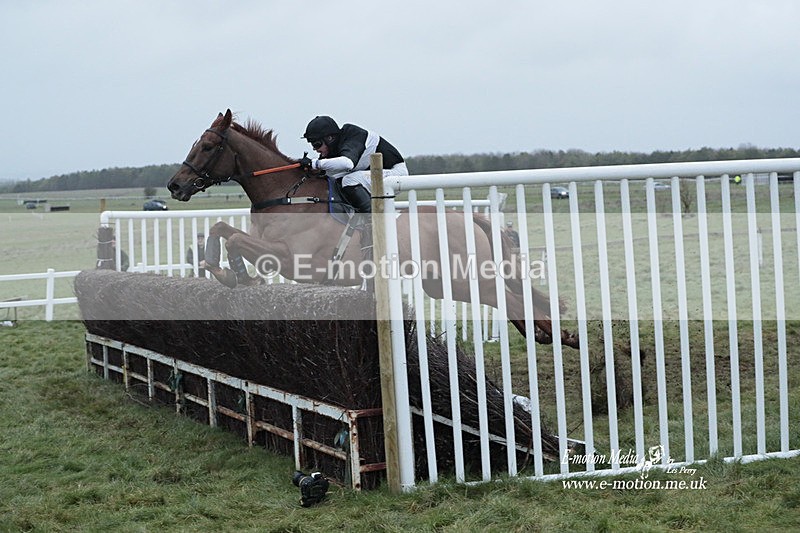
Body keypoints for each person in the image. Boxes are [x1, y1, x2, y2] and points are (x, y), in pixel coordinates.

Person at [299, 116, 408, 214]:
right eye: (312, 145)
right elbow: (325, 172)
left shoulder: (352, 134)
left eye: (317, 144)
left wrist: (315, 163)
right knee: (335, 180)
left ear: (330, 138)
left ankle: (371, 220)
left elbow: (348, 163)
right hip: (376, 174)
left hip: (396, 175)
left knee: (349, 180)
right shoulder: (333, 148)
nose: (314, 149)